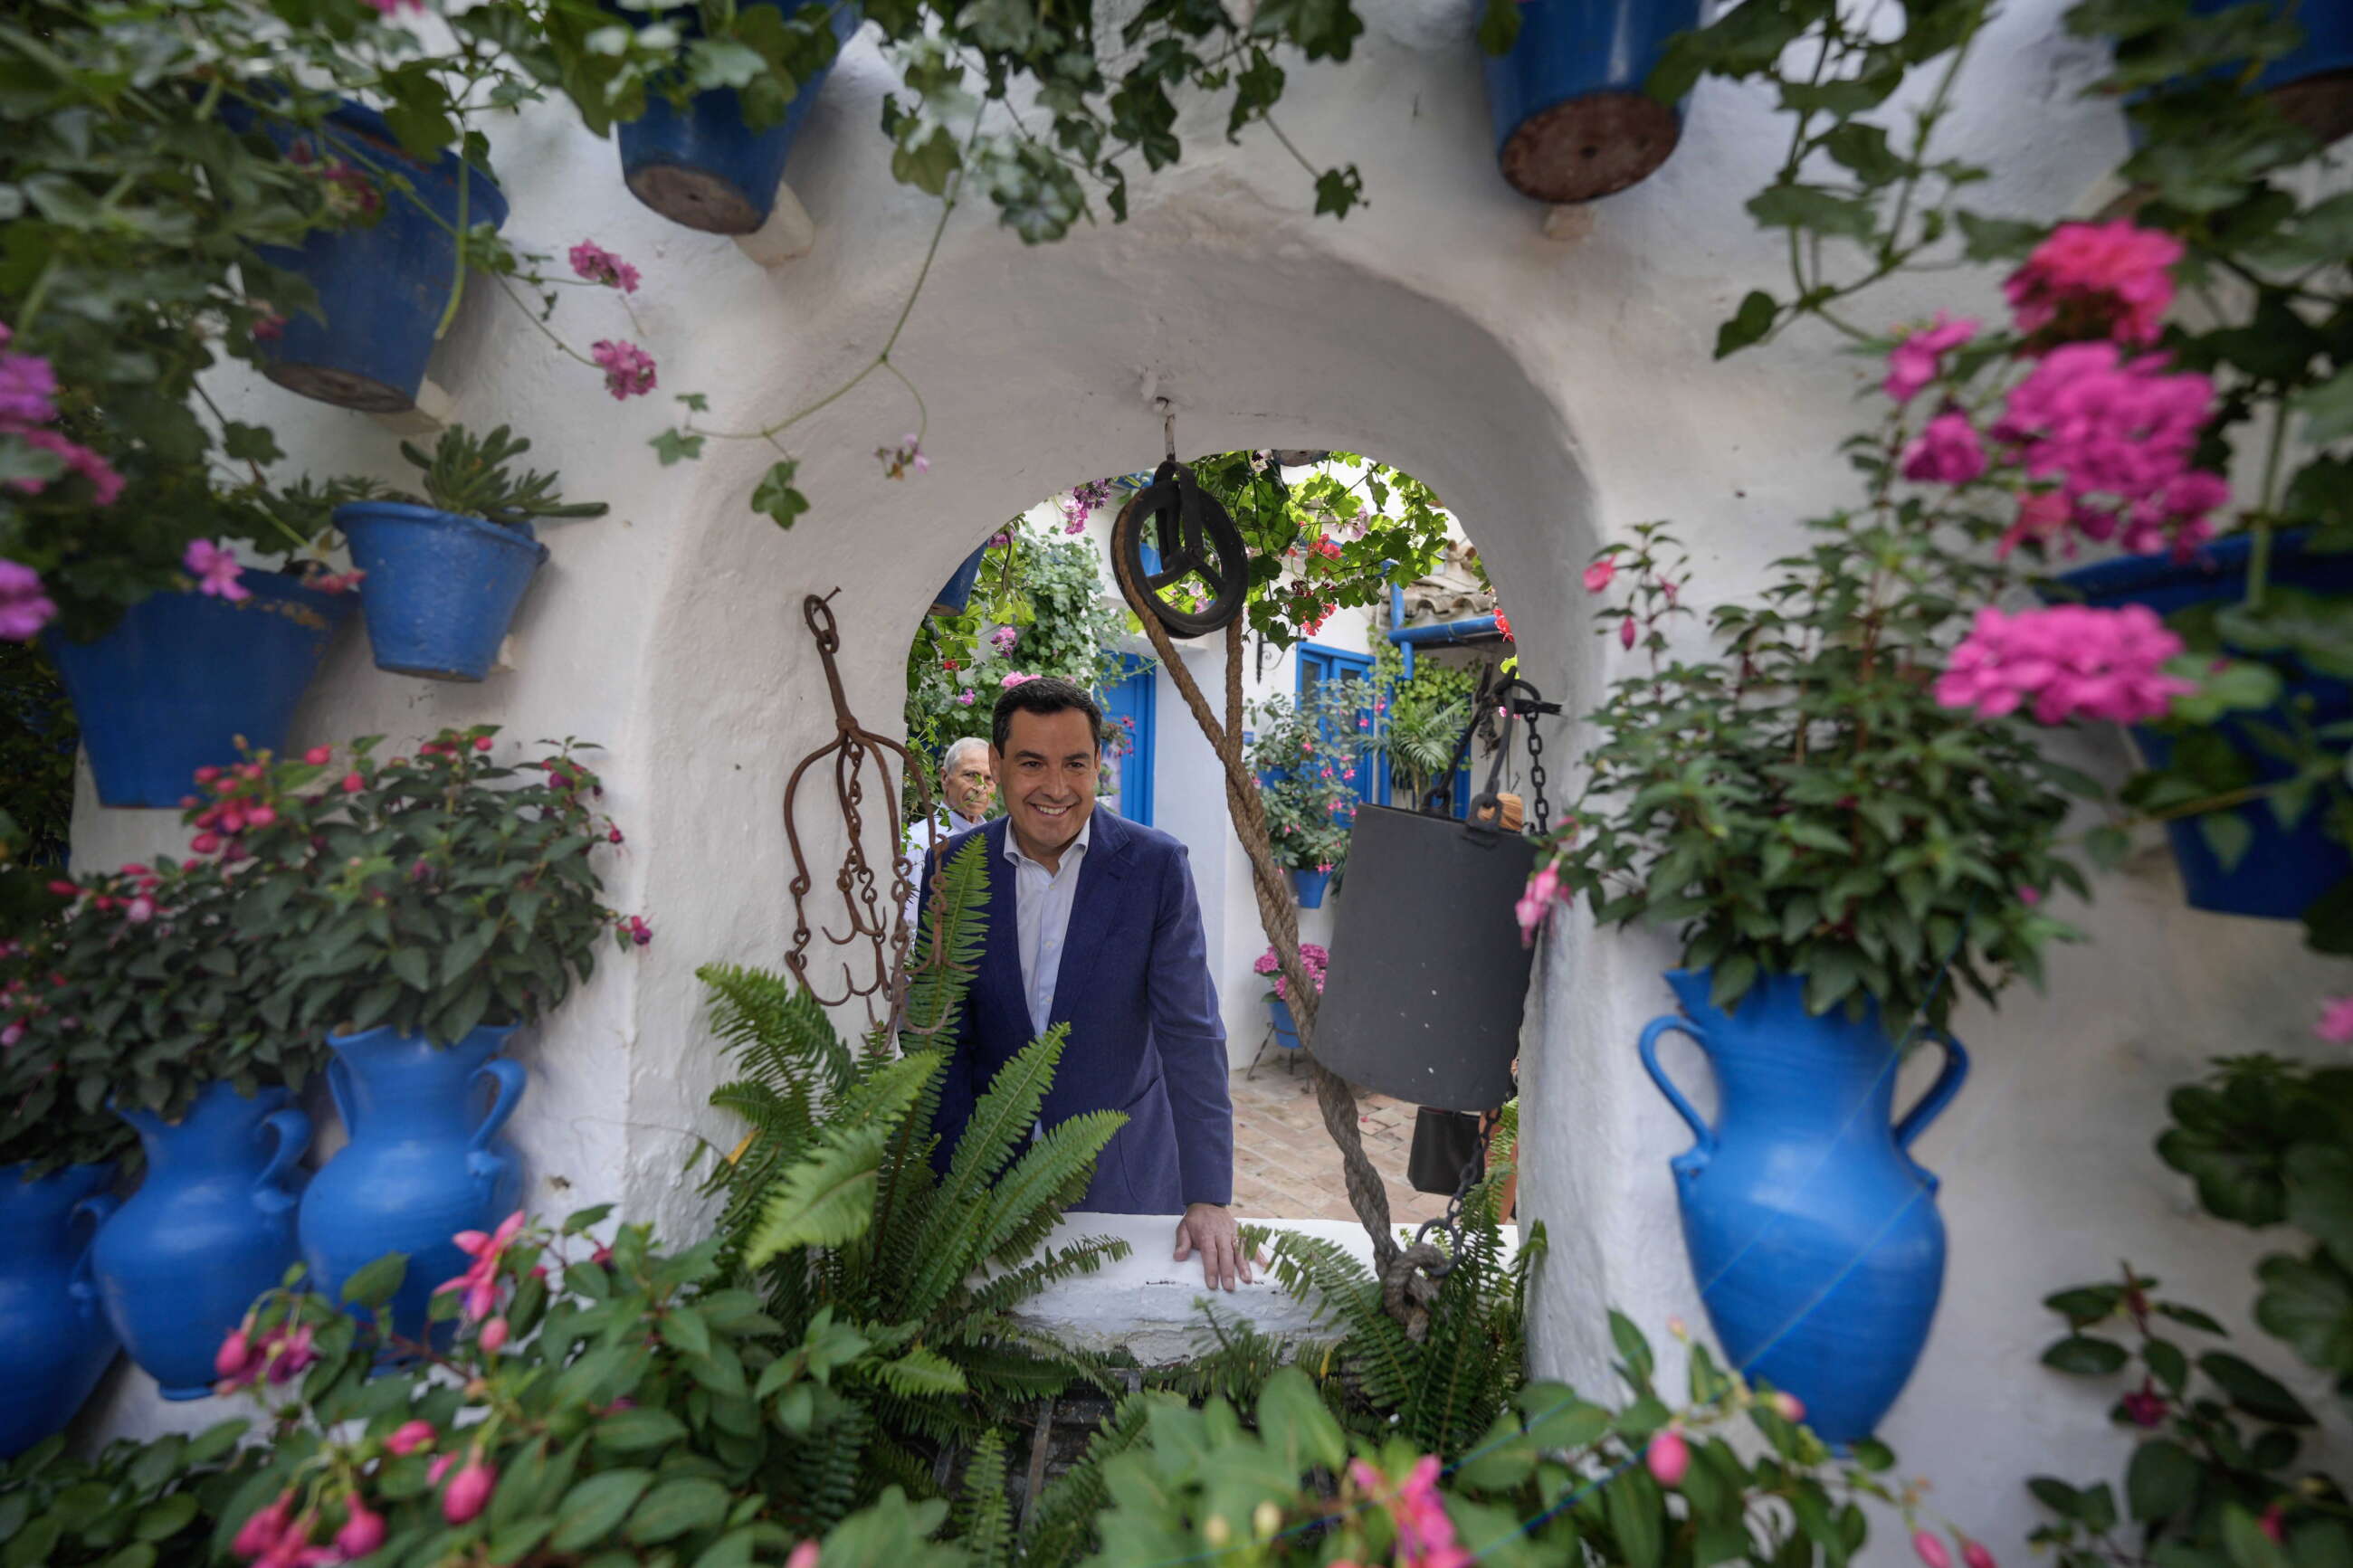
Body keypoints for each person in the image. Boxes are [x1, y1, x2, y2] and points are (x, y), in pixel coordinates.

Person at [916, 677, 1245, 1289]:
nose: (1056, 787)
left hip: (1122, 1177)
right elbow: (942, 1040)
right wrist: (953, 1183)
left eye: (1075, 764)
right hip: (988, 1185)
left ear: (1099, 764)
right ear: (996, 764)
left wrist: (1209, 1193)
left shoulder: (1156, 868)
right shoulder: (951, 871)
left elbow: (1191, 1034)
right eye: (1032, 763)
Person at [901, 736, 995, 936]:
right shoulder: (921, 842)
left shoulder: (996, 840)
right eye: (971, 775)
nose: (980, 787)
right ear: (945, 778)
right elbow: (909, 926)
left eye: (989, 778)